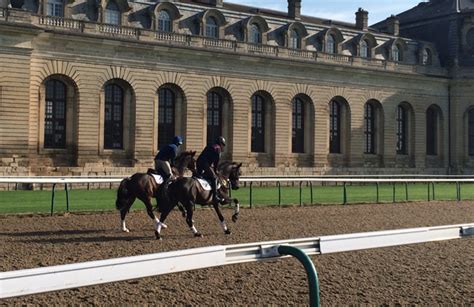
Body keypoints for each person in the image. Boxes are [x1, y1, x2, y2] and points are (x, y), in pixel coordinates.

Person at [196, 136, 226, 204]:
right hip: (205, 164)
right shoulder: (218, 149)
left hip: (198, 162)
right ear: (221, 144)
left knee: (199, 177)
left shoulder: (210, 146)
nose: (223, 146)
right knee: (214, 177)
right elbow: (216, 164)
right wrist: (215, 171)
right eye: (223, 144)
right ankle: (215, 196)